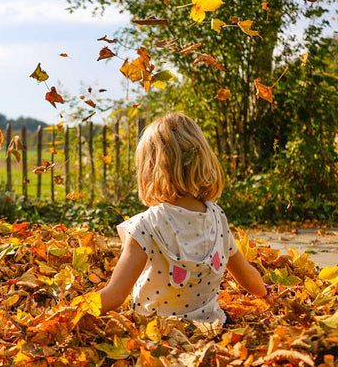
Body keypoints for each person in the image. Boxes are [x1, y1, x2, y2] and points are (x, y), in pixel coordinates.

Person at [99, 112, 270, 325]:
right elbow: (248, 278)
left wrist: (70, 311)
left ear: (151, 168)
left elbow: (115, 295)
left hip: (157, 333)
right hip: (211, 327)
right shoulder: (217, 217)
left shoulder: (146, 226)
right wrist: (266, 294)